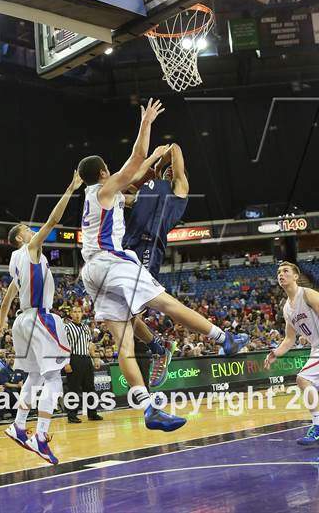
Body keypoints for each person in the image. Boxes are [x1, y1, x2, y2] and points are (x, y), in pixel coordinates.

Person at [78, 98, 235, 433]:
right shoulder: (112, 189)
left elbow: (143, 169)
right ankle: (222, 339)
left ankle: (148, 405)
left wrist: (161, 154)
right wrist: (146, 123)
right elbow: (134, 164)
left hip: (97, 265)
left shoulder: (105, 195)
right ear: (105, 173)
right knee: (165, 303)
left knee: (124, 341)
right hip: (116, 257)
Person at [0, 170, 82, 465]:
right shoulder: (30, 249)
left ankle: (18, 425)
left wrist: (1, 323)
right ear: (21, 237)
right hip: (38, 318)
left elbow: (8, 297)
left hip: (21, 321)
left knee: (33, 376)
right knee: (54, 378)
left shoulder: (13, 264)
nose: (33, 230)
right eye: (27, 229)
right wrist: (71, 188)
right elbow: (53, 221)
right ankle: (41, 436)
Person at [264, 262, 319, 446]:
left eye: (285, 271)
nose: (281, 274)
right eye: (279, 272)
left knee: (302, 379)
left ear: (296, 276)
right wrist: (275, 353)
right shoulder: (287, 308)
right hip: (317, 348)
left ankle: (318, 428)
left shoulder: (307, 294)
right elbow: (289, 339)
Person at [122, 143, 189, 388]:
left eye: (174, 170)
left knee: (132, 312)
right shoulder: (144, 191)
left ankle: (159, 349)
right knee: (123, 314)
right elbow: (123, 197)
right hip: (126, 247)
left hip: (149, 247)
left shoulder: (178, 189)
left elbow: (176, 149)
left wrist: (162, 163)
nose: (172, 171)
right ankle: (159, 348)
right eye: (167, 171)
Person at [63, 306, 103, 423]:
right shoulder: (67, 327)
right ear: (70, 314)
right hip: (74, 359)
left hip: (86, 359)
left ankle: (92, 413)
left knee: (90, 388)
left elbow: (89, 345)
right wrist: (66, 363)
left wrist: (95, 358)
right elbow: (63, 346)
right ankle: (71, 415)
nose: (77, 314)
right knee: (73, 389)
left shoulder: (86, 327)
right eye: (74, 312)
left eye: (79, 312)